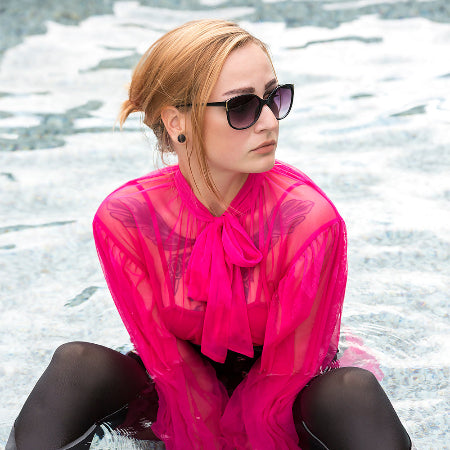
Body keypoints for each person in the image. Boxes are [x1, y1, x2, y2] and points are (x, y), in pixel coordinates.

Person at [6, 19, 413, 450]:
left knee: (353, 392)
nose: (270, 122)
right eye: (242, 107)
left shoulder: (309, 222)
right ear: (176, 121)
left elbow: (288, 372)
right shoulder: (125, 219)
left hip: (293, 389)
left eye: (274, 97)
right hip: (173, 385)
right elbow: (165, 358)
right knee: (75, 365)